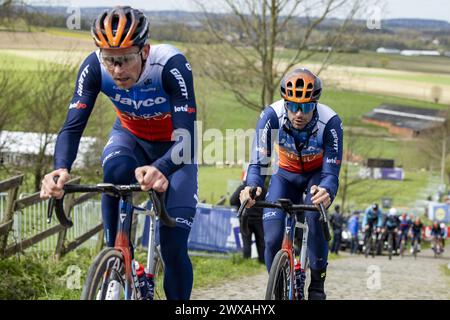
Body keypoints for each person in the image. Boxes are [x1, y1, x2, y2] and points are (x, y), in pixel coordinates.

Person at [39, 6, 198, 300]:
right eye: (109, 60)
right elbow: (72, 127)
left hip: (174, 149)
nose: (116, 70)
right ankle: (116, 253)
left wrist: (162, 167)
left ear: (145, 51)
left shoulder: (171, 66)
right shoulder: (94, 67)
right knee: (113, 172)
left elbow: (187, 140)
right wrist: (60, 168)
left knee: (174, 247)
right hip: (130, 137)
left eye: (124, 59)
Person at [239, 68, 344, 300]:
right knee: (272, 236)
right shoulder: (271, 116)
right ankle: (278, 286)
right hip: (284, 175)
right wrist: (252, 186)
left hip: (317, 177)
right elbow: (258, 162)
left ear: (315, 104)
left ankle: (316, 284)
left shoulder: (331, 122)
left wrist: (327, 190)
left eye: (306, 107)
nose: (298, 113)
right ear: (284, 101)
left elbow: (331, 172)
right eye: (293, 105)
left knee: (315, 218)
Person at [230, 181, 266, 264]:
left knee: (246, 242)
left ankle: (247, 262)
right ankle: (262, 262)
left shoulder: (243, 187)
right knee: (261, 242)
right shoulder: (262, 188)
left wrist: (241, 206)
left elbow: (232, 201)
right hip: (258, 219)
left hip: (245, 219)